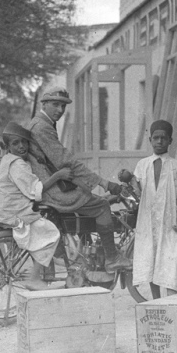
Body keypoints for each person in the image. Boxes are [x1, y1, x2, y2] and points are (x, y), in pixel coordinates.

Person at [25, 86, 129, 273]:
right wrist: (103, 182)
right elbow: (66, 161)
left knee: (87, 195)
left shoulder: (41, 123)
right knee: (102, 206)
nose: (60, 110)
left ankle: (83, 260)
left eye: (63, 106)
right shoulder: (42, 127)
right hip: (50, 190)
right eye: (55, 104)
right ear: (44, 104)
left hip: (45, 184)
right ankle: (112, 259)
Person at [0, 122, 72, 290]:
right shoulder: (17, 164)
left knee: (35, 230)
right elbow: (34, 190)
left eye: (24, 142)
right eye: (15, 143)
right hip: (11, 212)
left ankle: (23, 269)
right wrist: (58, 175)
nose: (21, 146)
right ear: (8, 146)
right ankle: (34, 279)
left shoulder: (8, 160)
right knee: (51, 234)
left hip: (1, 209)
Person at [130, 120, 177, 299]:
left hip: (168, 221)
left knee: (169, 259)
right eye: (156, 138)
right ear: (150, 139)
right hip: (147, 221)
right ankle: (156, 299)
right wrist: (132, 186)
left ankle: (172, 300)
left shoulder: (176, 166)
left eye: (164, 138)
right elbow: (136, 191)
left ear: (170, 141)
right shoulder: (143, 165)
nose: (159, 141)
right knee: (150, 258)